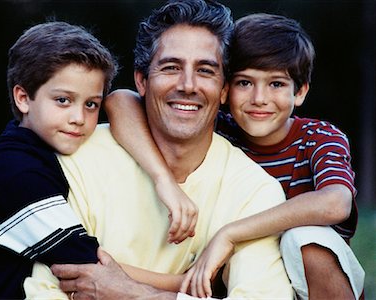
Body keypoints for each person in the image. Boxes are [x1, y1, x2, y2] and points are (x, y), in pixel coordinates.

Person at [25, 1, 293, 299]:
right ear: (142, 80)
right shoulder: (77, 159)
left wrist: (134, 294)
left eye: (205, 71)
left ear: (224, 90)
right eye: (171, 67)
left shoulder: (254, 191)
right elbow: (45, 290)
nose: (188, 85)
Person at [101, 13, 365, 299]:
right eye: (244, 83)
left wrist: (230, 233)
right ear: (225, 90)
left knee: (305, 238)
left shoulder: (318, 137)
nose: (259, 98)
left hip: (309, 281)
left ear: (300, 92)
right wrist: (162, 178)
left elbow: (336, 203)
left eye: (276, 84)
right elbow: (120, 101)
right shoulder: (221, 126)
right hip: (238, 272)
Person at [0, 21, 118, 299]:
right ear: (23, 98)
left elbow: (123, 102)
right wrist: (185, 282)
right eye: (63, 100)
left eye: (91, 104)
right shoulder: (16, 173)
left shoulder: (26, 149)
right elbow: (95, 271)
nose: (79, 118)